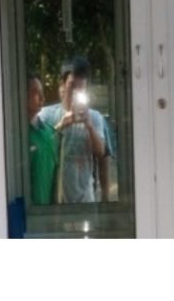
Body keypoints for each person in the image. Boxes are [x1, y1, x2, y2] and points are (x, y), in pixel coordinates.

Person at [38, 55, 113, 204]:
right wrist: (61, 125)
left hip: (86, 201)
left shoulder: (95, 117)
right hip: (54, 203)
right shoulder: (46, 116)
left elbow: (101, 154)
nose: (75, 91)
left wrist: (89, 127)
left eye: (81, 87)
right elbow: (39, 150)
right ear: (63, 85)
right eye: (72, 85)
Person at [26, 74, 58, 205]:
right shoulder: (15, 135)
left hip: (47, 210)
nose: (41, 97)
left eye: (41, 92)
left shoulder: (50, 133)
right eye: (35, 92)